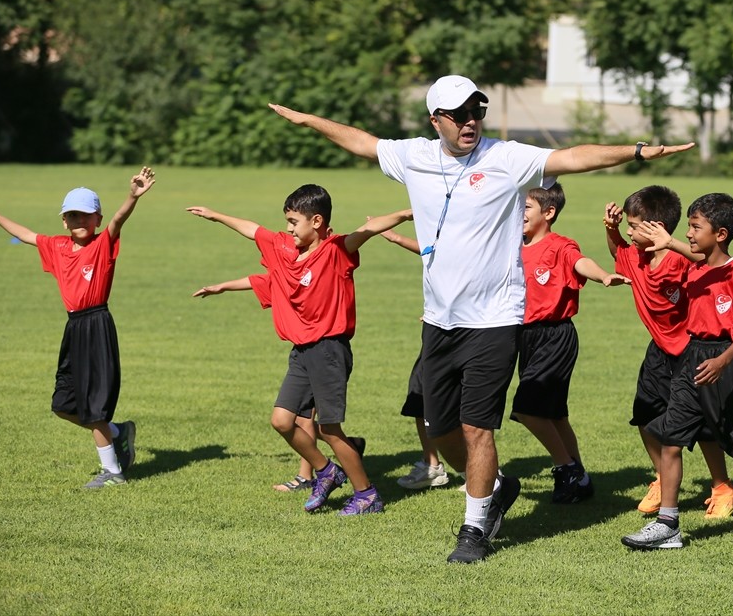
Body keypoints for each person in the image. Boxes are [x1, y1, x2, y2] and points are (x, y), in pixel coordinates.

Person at [269, 74, 692, 563]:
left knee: (477, 428)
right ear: (436, 121)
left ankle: (473, 530)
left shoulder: (506, 158)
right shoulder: (414, 156)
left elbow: (574, 157)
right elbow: (362, 142)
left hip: (495, 319)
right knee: (441, 430)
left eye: (477, 111)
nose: (471, 121)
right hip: (438, 321)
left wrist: (637, 151)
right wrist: (307, 120)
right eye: (460, 114)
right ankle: (495, 487)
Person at [189, 184, 412, 516]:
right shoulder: (286, 252)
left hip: (329, 351)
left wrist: (408, 212)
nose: (289, 228)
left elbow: (367, 230)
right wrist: (216, 216)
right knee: (281, 420)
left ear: (317, 221)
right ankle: (327, 471)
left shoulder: (335, 251)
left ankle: (367, 495)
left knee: (329, 429)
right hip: (301, 352)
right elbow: (254, 230)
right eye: (288, 221)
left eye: (294, 222)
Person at [0, 168, 155, 488]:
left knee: (94, 406)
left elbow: (119, 220)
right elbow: (27, 235)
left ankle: (113, 472)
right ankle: (118, 432)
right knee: (64, 404)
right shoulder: (57, 247)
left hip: (96, 325)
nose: (79, 220)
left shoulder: (102, 245)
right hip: (74, 328)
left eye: (86, 215)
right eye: (72, 215)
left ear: (97, 219)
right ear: (64, 221)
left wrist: (132, 197)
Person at [620, 193, 733, 551]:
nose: (689, 233)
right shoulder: (693, 268)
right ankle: (668, 525)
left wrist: (723, 360)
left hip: (728, 361)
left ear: (720, 234)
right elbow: (684, 260)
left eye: (696, 227)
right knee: (671, 440)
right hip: (692, 358)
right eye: (689, 227)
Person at [603, 186, 733, 521]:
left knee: (704, 425)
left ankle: (723, 487)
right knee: (645, 414)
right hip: (659, 350)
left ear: (657, 229)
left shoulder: (682, 260)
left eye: (634, 226)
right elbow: (618, 252)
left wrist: (670, 243)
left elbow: (709, 260)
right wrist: (611, 229)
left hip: (693, 352)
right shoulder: (636, 257)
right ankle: (663, 477)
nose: (629, 232)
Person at [514, 183, 628, 504]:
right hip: (526, 337)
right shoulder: (513, 246)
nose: (519, 213)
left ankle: (567, 468)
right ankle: (580, 479)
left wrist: (603, 275)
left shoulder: (559, 246)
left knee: (527, 409)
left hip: (555, 335)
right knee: (554, 414)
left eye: (526, 208)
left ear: (549, 213)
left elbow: (580, 262)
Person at [379, 228, 456, 492]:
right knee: (419, 396)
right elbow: (436, 253)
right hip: (436, 327)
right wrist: (397, 238)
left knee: (462, 403)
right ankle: (432, 465)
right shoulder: (446, 233)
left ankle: (482, 472)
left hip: (461, 328)